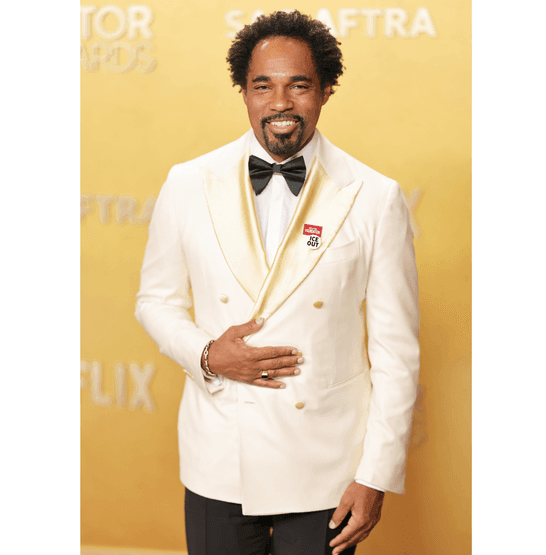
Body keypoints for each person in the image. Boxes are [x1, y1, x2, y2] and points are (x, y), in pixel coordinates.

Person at [135, 10, 419, 555]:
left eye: (299, 85)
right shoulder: (188, 182)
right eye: (263, 85)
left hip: (327, 466)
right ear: (243, 91)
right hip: (219, 456)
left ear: (327, 90)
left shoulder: (374, 196)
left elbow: (395, 351)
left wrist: (376, 474)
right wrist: (209, 355)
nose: (280, 102)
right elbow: (156, 301)